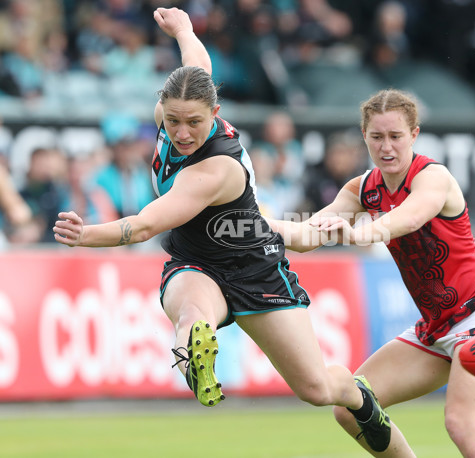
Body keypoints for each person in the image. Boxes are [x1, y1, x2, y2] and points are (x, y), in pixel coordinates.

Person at [53, 7, 391, 451]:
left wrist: (86, 234)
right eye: (172, 120)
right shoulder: (176, 109)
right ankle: (195, 347)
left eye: (194, 122)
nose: (182, 132)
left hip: (253, 265)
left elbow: (144, 225)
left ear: (214, 112)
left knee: (318, 390)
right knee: (192, 311)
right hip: (196, 261)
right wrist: (184, 29)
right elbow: (198, 65)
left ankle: (355, 394)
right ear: (163, 108)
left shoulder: (215, 168)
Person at [269, 89, 475, 457]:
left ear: (414, 135)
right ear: (364, 137)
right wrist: (252, 223)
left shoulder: (433, 177)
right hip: (438, 326)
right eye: (377, 137)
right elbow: (307, 234)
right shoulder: (363, 189)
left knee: (462, 423)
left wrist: (360, 233)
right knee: (351, 407)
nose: (386, 147)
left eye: (395, 136)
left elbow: (410, 217)